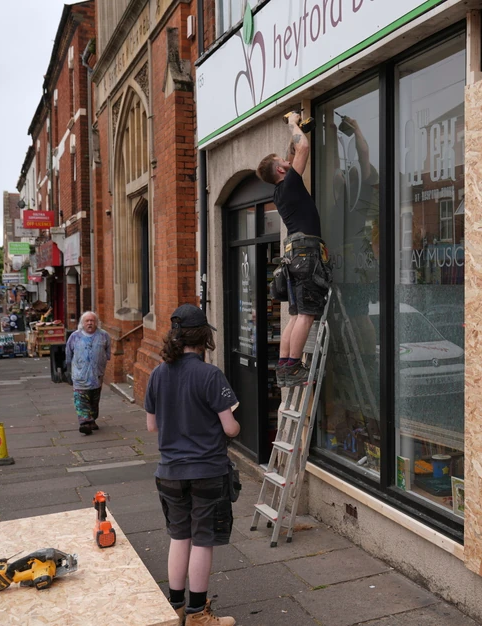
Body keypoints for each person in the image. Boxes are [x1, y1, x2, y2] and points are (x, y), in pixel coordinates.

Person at [145, 304, 240, 626]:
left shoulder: (158, 374)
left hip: (169, 472)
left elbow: (151, 426)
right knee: (202, 540)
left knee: (179, 537)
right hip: (207, 471)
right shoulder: (210, 375)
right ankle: (198, 614)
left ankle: (175, 609)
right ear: (203, 338)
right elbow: (230, 428)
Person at [256, 112, 332, 388]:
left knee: (296, 315)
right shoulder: (290, 183)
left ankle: (286, 367)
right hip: (306, 254)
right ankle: (294, 367)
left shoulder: (281, 191)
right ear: (280, 170)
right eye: (284, 162)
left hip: (294, 255)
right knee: (307, 315)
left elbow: (294, 149)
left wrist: (298, 126)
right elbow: (303, 147)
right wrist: (291, 123)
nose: (288, 162)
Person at [64, 311, 112, 435]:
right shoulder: (75, 337)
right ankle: (85, 422)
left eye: (92, 321)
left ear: (97, 322)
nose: (90, 323)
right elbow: (68, 354)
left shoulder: (104, 336)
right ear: (82, 323)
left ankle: (92, 419)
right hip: (80, 375)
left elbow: (107, 353)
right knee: (80, 399)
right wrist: (69, 370)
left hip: (97, 376)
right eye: (87, 321)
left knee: (94, 400)